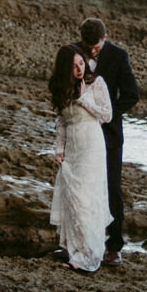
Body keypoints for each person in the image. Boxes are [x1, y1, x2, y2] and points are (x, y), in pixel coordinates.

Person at [78, 18, 140, 261]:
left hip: (108, 132)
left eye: (96, 47)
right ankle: (81, 241)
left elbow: (132, 94)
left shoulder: (118, 56)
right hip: (80, 129)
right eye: (88, 46)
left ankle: (114, 246)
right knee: (81, 185)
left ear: (105, 37)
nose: (92, 51)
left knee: (112, 187)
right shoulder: (73, 53)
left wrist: (106, 113)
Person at [48, 42, 113, 272]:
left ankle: (90, 255)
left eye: (81, 63)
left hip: (92, 145)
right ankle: (76, 250)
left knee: (86, 198)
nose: (79, 69)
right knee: (73, 198)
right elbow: (62, 121)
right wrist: (59, 148)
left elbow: (107, 115)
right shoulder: (61, 87)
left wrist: (85, 98)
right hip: (73, 147)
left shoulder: (96, 83)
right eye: (74, 66)